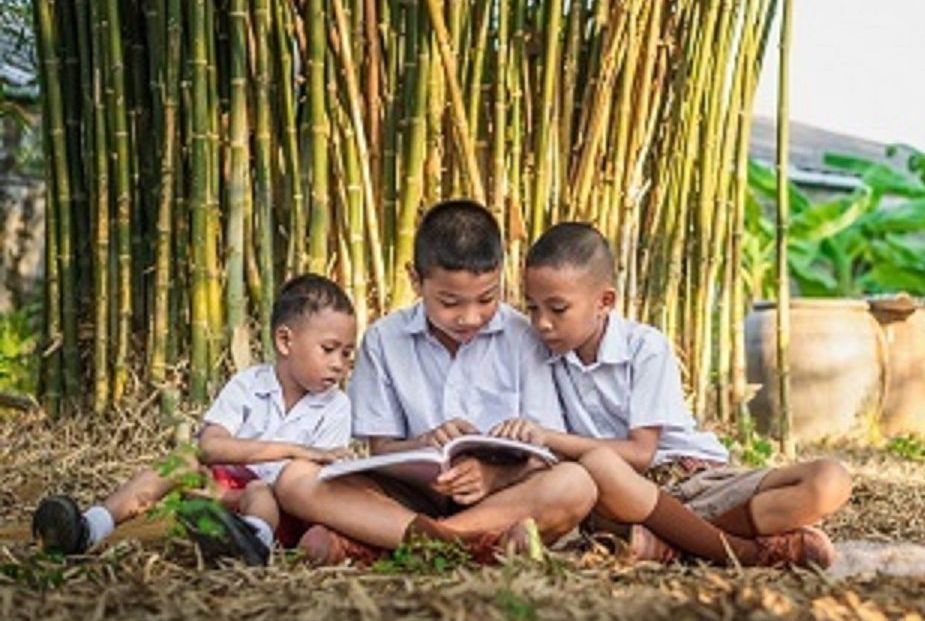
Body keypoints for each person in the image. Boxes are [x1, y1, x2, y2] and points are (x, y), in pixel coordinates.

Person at [493, 222, 852, 567]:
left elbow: (640, 454)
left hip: (695, 481)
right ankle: (743, 553)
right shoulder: (540, 352)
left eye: (557, 309)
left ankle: (669, 544)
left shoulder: (644, 348)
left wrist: (547, 436)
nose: (541, 323)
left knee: (829, 480)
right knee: (595, 468)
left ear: (605, 301)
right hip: (617, 497)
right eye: (532, 307)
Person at [274, 200, 597, 565]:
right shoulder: (384, 339)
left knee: (575, 483)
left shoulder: (523, 336)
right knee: (295, 480)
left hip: (500, 496)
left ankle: (404, 543)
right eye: (450, 302)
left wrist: (493, 476)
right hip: (408, 497)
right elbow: (380, 449)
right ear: (416, 280)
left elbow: (545, 455)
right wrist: (424, 443)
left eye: (487, 298)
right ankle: (470, 545)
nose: (470, 317)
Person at [31, 274, 358, 566]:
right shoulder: (248, 385)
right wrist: (295, 450)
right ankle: (90, 527)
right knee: (183, 460)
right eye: (328, 349)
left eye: (346, 353)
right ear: (285, 341)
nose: (339, 364)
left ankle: (251, 544)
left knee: (259, 489)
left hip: (279, 512)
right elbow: (210, 447)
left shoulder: (336, 406)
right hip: (220, 494)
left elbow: (310, 490)